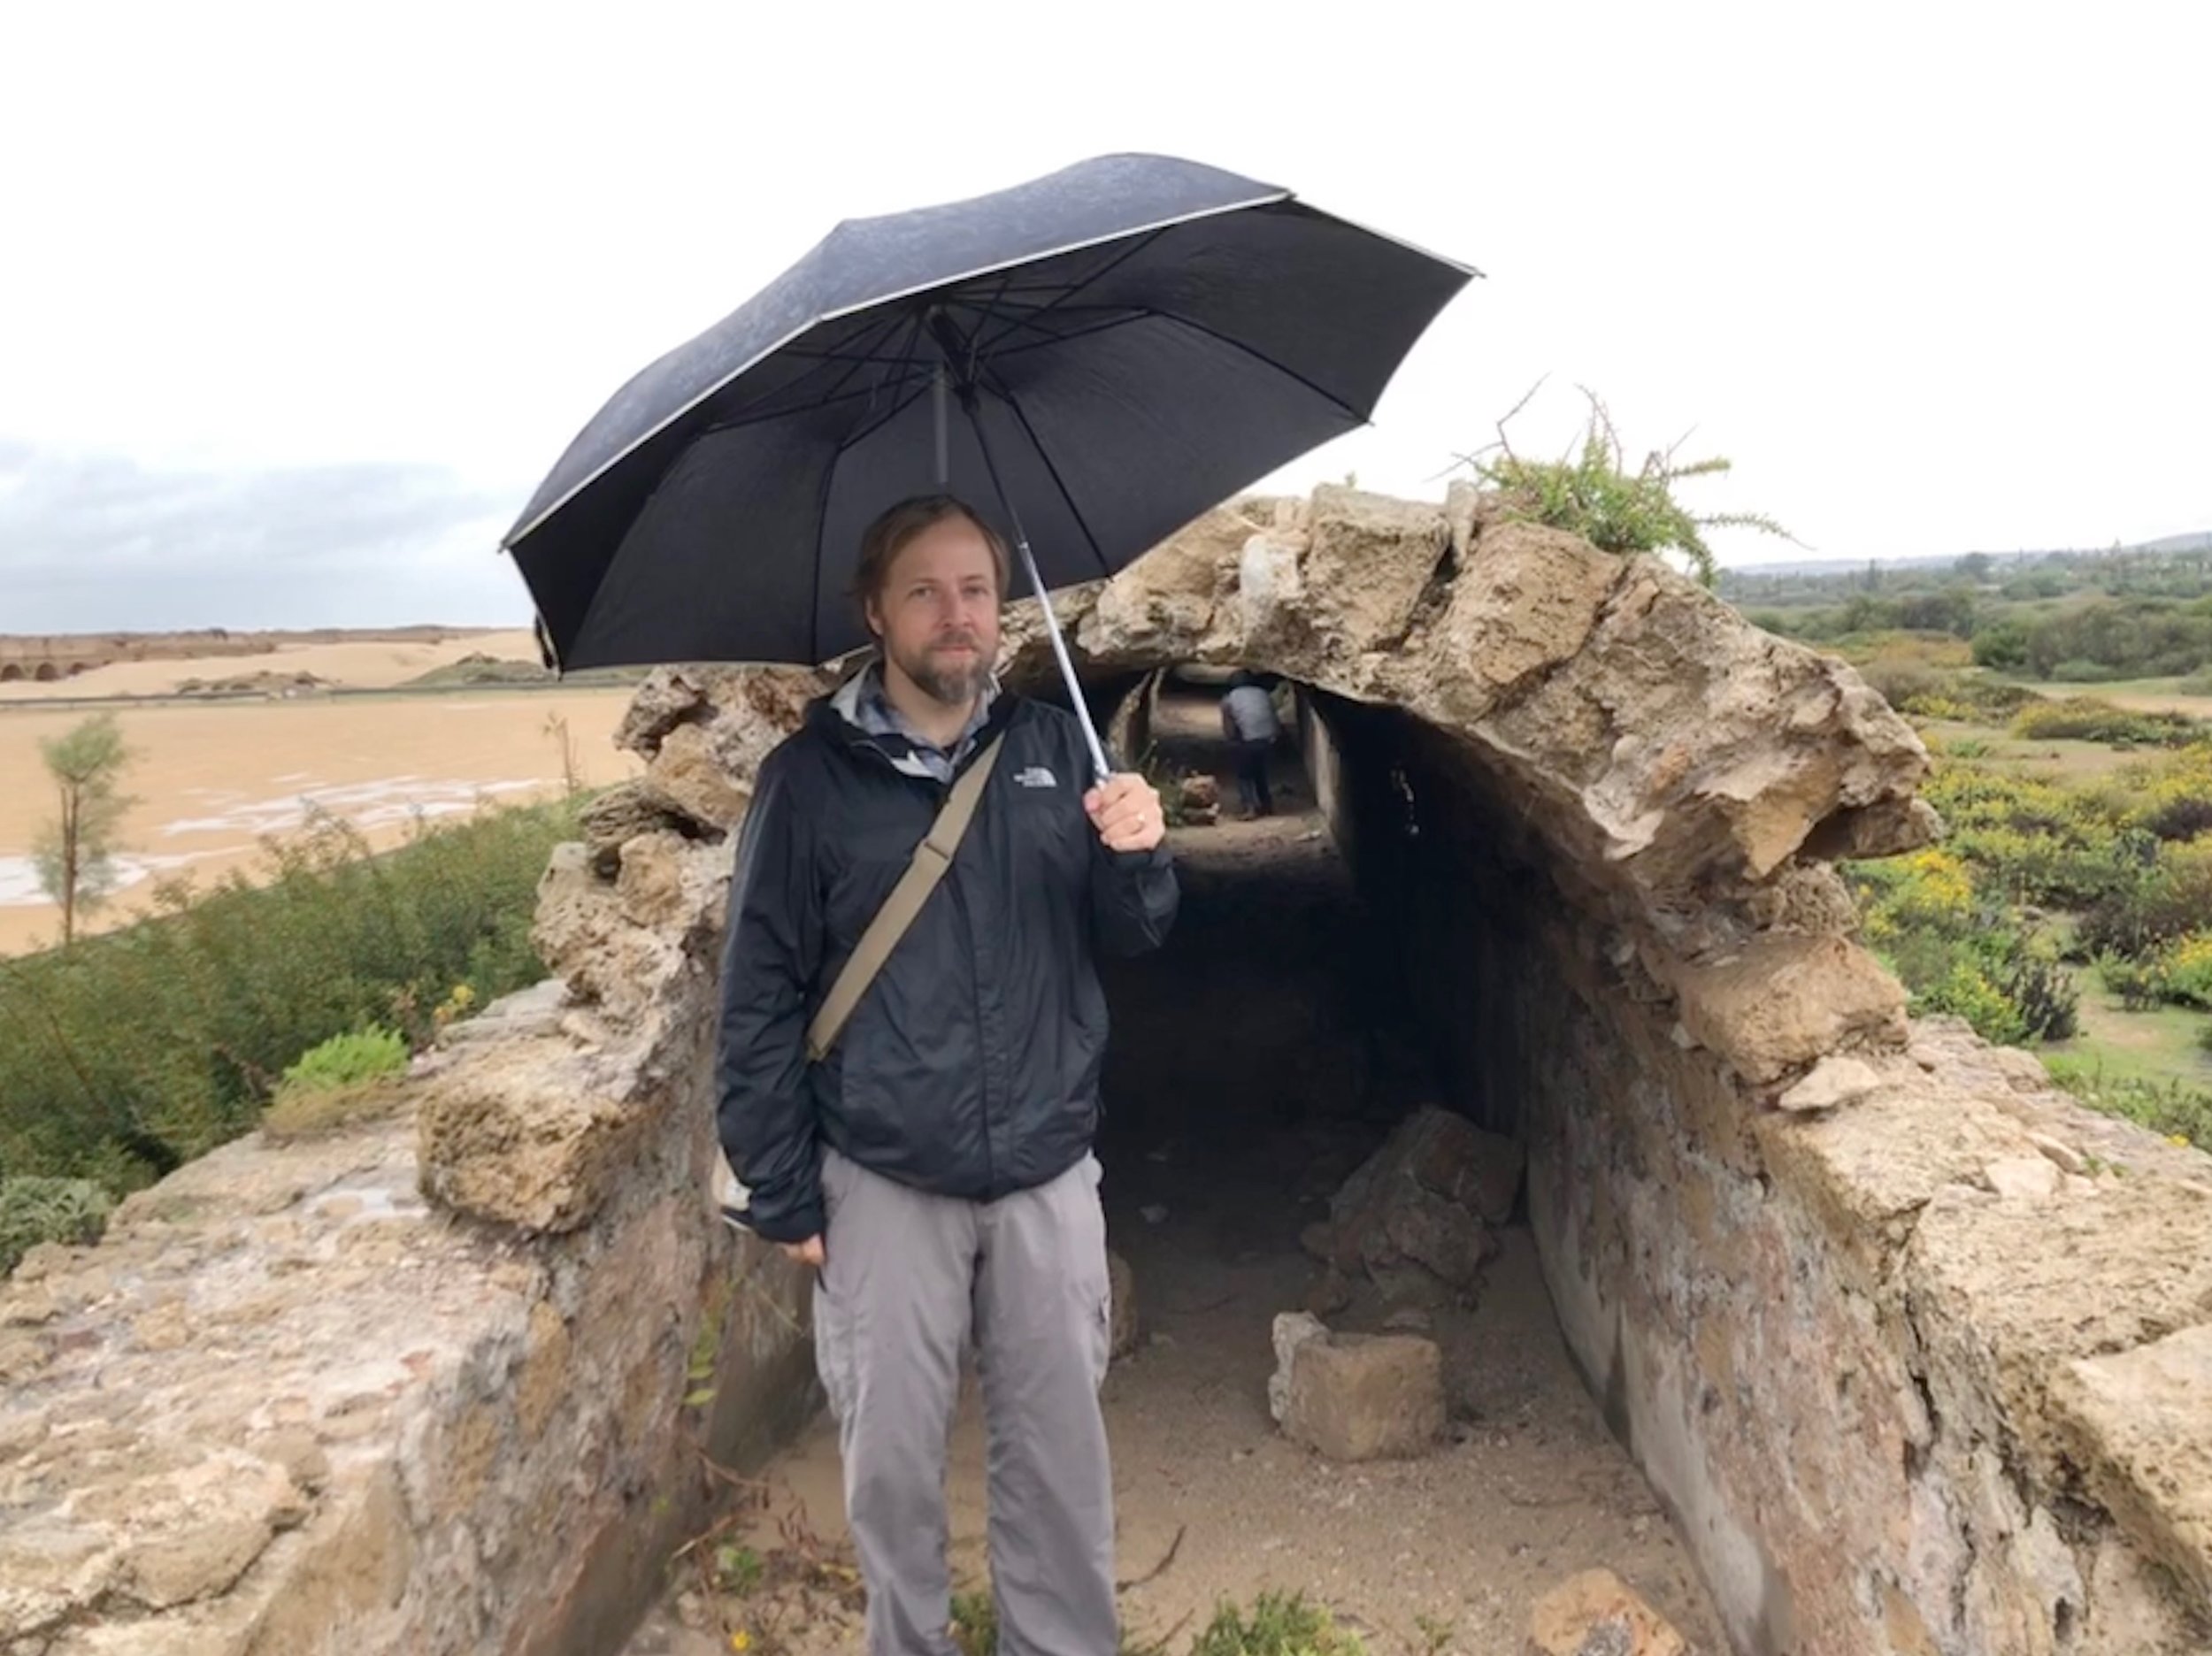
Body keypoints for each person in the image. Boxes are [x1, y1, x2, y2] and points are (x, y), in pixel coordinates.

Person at [715, 494, 1179, 1656]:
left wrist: (1141, 856)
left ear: (1003, 606)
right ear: (876, 611)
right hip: (883, 1178)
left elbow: (1136, 936)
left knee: (1061, 1467)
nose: (955, 614)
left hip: (1043, 1169)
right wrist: (780, 1186)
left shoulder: (1054, 746)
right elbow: (759, 991)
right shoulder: (808, 783)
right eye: (924, 590)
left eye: (975, 588)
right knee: (889, 1472)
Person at [1219, 669, 1281, 817]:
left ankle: (1250, 807)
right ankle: (1267, 805)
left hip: (1249, 741)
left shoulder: (1229, 699)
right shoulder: (1263, 694)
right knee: (1260, 772)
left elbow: (1229, 727)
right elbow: (1273, 716)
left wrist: (1232, 742)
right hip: (1268, 739)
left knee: (1244, 775)